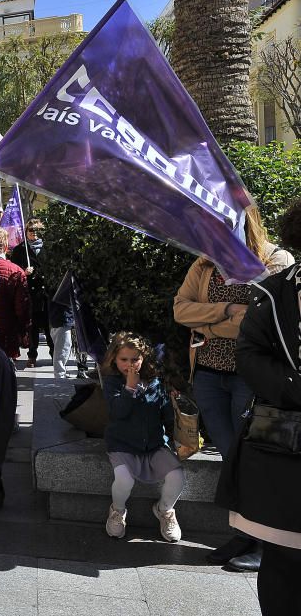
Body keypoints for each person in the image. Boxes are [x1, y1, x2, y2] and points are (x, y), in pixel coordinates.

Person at [173, 206, 293, 571]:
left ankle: (267, 544)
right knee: (231, 457)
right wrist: (226, 311)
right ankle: (246, 534)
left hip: (251, 378)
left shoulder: (275, 261)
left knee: (254, 460)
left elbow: (262, 321)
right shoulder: (206, 264)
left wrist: (208, 321)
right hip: (209, 374)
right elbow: (181, 310)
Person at [217, 199, 301, 615]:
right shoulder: (275, 290)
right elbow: (250, 355)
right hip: (287, 450)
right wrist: (294, 387)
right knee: (285, 563)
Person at [101, 332, 185, 542]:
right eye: (124, 360)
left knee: (177, 476)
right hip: (123, 445)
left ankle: (164, 510)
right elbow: (117, 412)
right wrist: (129, 387)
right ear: (114, 359)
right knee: (124, 479)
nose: (130, 364)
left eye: (135, 359)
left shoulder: (155, 382)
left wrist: (175, 405)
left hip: (154, 444)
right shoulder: (112, 382)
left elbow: (165, 414)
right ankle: (118, 511)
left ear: (144, 358)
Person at [0, 225, 30, 361]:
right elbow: (22, 308)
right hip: (6, 334)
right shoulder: (15, 271)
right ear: (5, 247)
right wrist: (25, 332)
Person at [11, 219, 52, 368]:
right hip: (30, 294)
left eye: (37, 230)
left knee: (49, 327)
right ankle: (32, 356)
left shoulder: (50, 248)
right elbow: (14, 272)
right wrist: (24, 272)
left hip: (46, 294)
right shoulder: (19, 250)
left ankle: (54, 353)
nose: (34, 233)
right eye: (31, 230)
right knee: (32, 327)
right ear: (26, 232)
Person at [49, 273, 76, 380]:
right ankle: (60, 376)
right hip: (62, 318)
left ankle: (60, 374)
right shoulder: (59, 279)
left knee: (63, 349)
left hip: (61, 318)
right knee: (62, 350)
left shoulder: (54, 277)